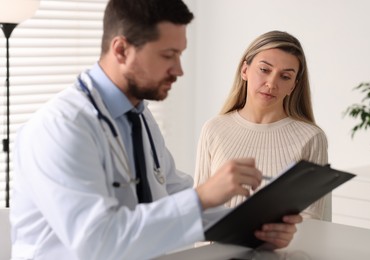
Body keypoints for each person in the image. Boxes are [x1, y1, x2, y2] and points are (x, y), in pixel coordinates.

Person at [9, 2, 302, 260]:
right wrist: (201, 196)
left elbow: (169, 196)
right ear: (121, 50)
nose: (179, 69)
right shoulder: (61, 128)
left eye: (180, 55)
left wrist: (256, 227)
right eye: (168, 55)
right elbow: (96, 244)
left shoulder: (139, 117)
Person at [194, 30, 330, 220]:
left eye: (285, 77)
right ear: (244, 71)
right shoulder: (214, 129)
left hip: (282, 249)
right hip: (217, 249)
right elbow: (200, 209)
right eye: (264, 70)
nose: (271, 83)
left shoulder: (311, 138)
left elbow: (312, 219)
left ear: (293, 86)